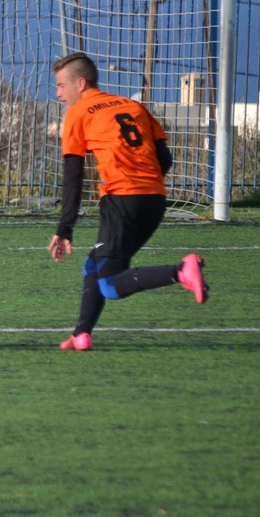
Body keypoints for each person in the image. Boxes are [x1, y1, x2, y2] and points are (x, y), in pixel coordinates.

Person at [47, 52, 209, 351]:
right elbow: (164, 159)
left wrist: (64, 228)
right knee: (93, 265)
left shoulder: (78, 113)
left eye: (60, 85)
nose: (58, 93)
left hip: (122, 200)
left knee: (109, 284)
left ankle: (181, 272)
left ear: (80, 84)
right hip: (154, 200)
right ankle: (81, 334)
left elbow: (73, 176)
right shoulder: (133, 106)